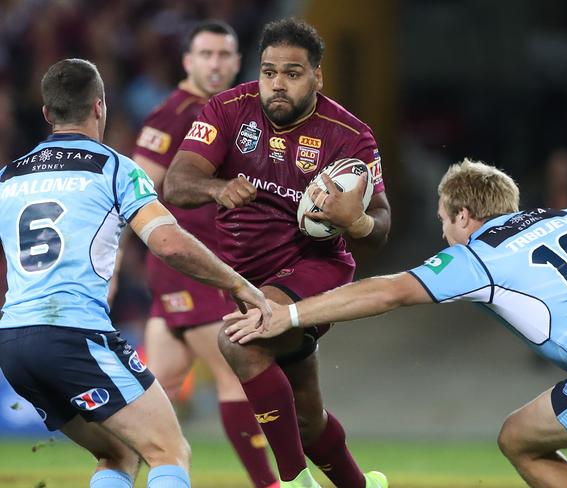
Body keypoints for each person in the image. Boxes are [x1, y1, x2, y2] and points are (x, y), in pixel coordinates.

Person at [225, 158, 567, 488]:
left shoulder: (477, 256)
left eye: (444, 221)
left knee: (518, 441)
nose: (445, 233)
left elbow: (388, 291)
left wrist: (290, 314)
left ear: (463, 216)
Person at [0, 58, 270, 488]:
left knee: (118, 452)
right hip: (74, 334)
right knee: (169, 450)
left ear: (47, 113)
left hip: (13, 343)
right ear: (100, 107)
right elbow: (169, 244)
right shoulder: (115, 169)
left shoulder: (8, 177)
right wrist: (237, 283)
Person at [164, 18, 391, 488]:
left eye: (292, 73)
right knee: (307, 418)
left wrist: (357, 220)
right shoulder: (228, 110)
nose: (277, 85)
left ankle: (292, 483)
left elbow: (381, 228)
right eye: (269, 72)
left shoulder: (349, 136)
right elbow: (176, 184)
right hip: (246, 277)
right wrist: (217, 186)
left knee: (240, 340)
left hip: (316, 268)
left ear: (317, 77)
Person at [132, 20, 278, 488]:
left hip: (189, 268)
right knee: (235, 373)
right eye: (206, 55)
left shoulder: (227, 112)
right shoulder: (176, 113)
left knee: (161, 391)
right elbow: (136, 188)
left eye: (224, 56)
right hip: (191, 267)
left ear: (237, 63)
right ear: (188, 62)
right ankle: (269, 485)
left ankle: (115, 475)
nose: (215, 64)